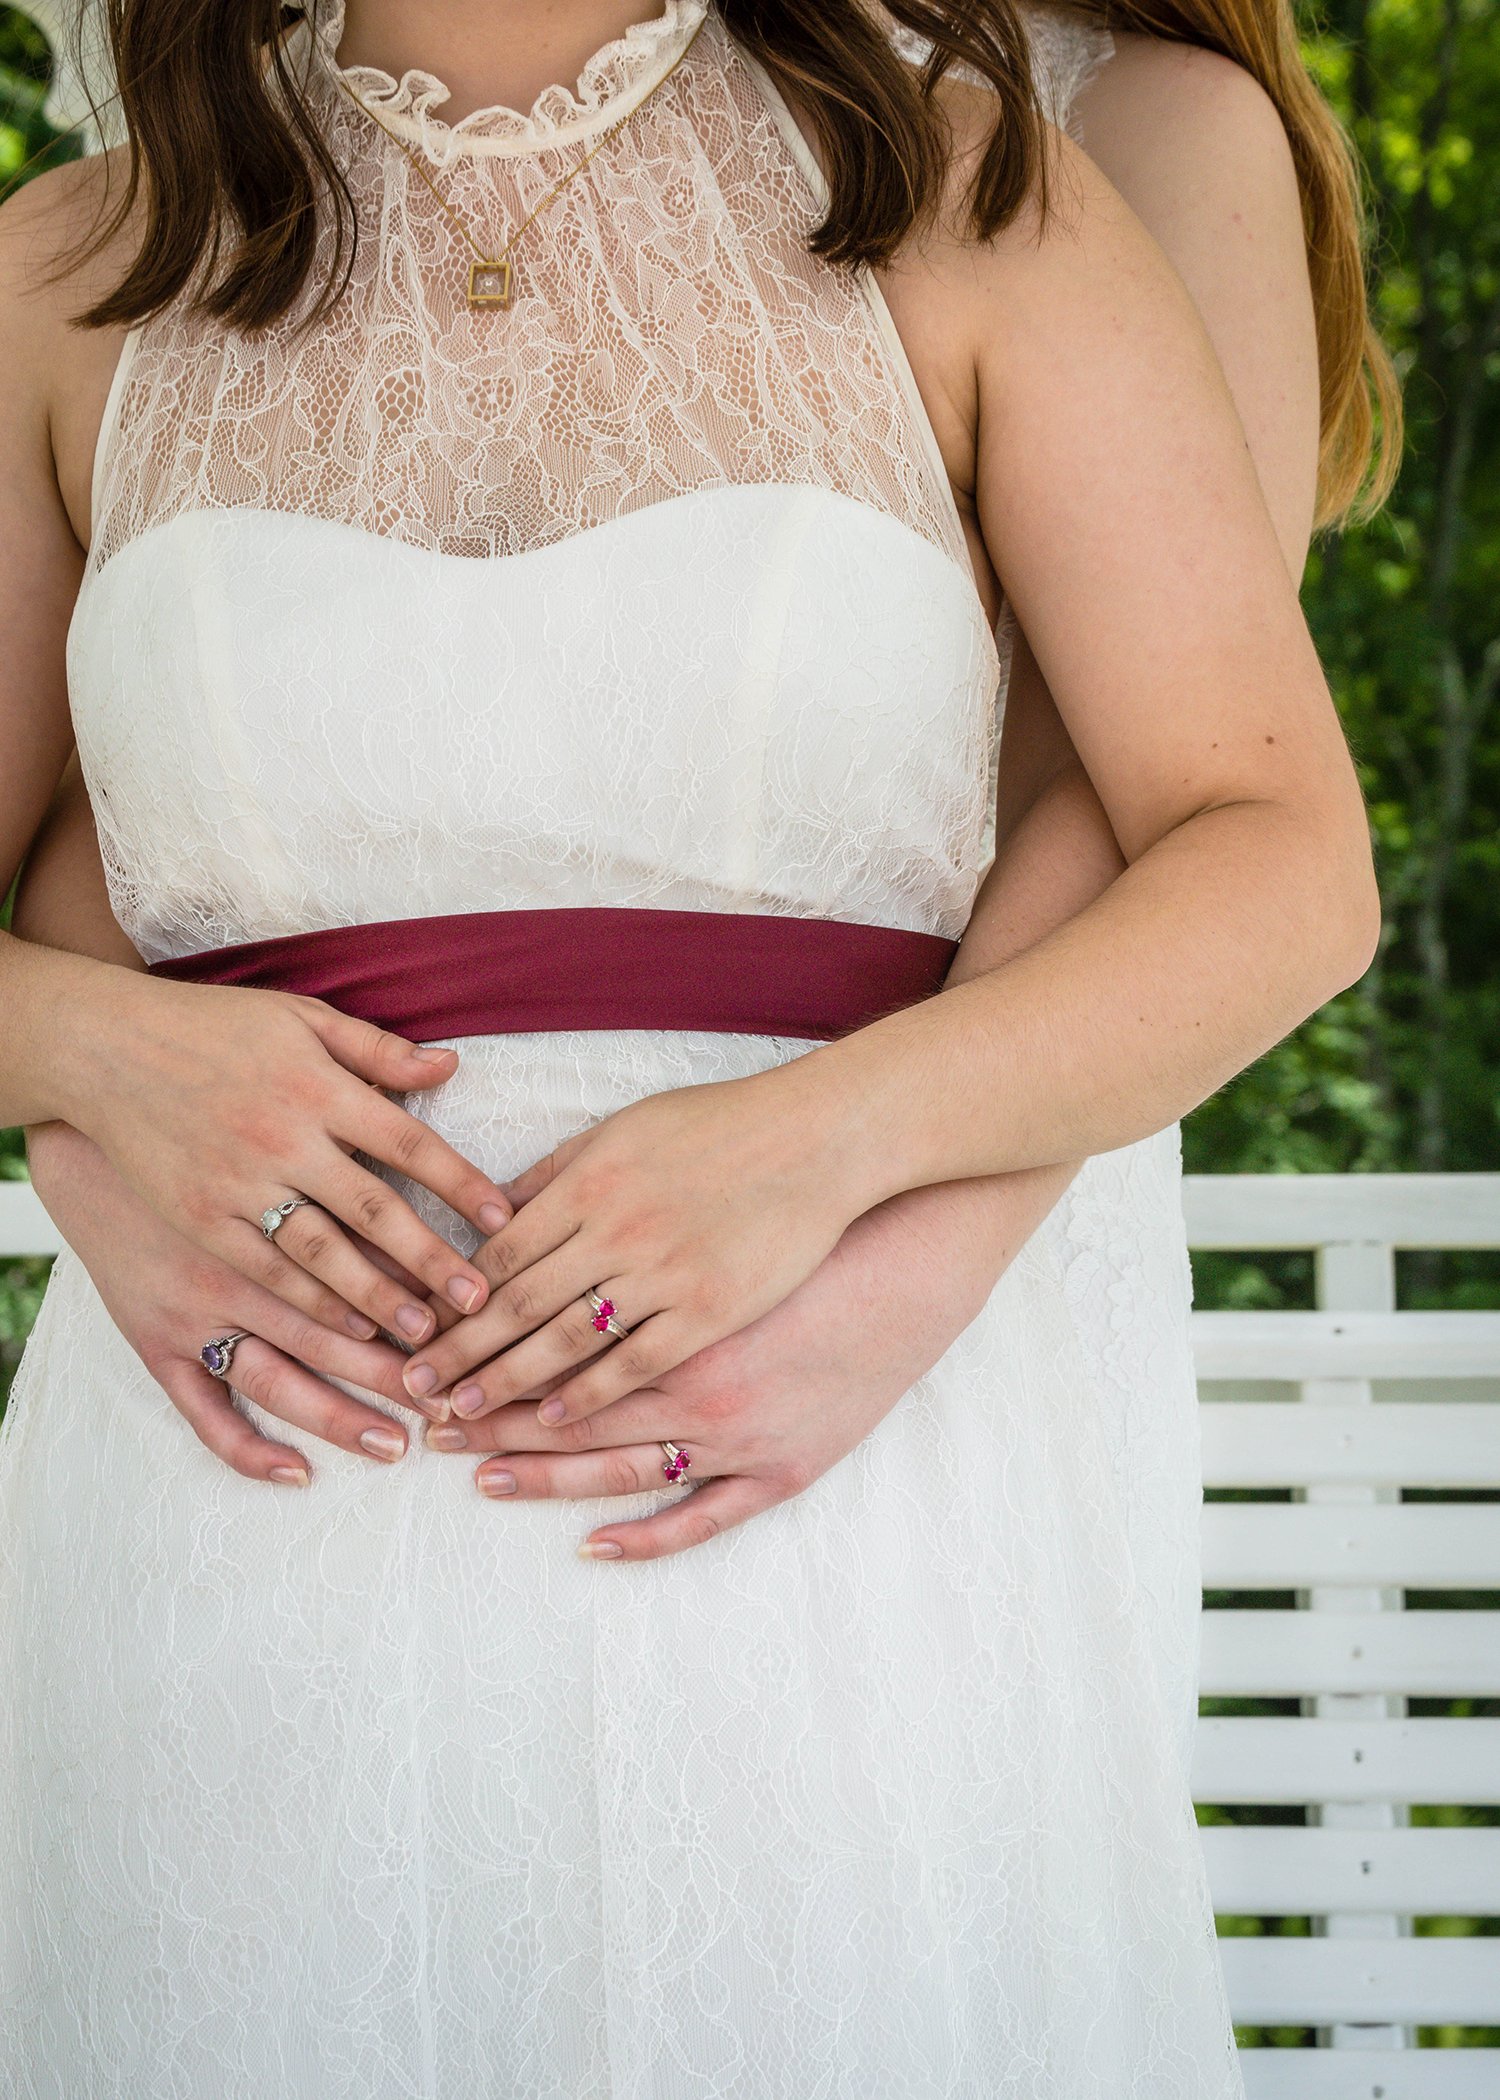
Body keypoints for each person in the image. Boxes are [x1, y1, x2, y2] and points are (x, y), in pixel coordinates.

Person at [0, 1, 1385, 2090]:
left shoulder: (980, 194)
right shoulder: (65, 266)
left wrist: (823, 1146)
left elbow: (1276, 856)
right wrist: (96, 1069)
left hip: (816, 1478)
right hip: (226, 1522)